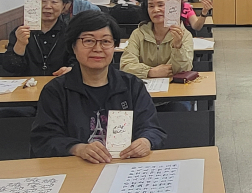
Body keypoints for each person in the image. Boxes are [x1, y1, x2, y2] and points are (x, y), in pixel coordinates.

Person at [30, 11, 166, 161]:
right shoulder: (56, 91)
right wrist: (77, 148)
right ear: (73, 46)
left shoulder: (132, 85)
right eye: (88, 41)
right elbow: (44, 140)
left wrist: (145, 141)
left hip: (124, 166)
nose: (98, 48)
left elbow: (152, 128)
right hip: (76, 172)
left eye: (106, 42)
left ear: (114, 46)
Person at [3, 0, 73, 76]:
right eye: (42, 1)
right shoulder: (20, 31)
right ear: (32, 4)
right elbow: (11, 68)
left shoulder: (71, 32)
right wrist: (20, 44)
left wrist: (71, 69)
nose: (48, 6)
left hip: (59, 86)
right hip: (26, 89)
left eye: (54, 2)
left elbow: (77, 62)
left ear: (64, 6)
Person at [120, 0, 194, 79]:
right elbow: (125, 66)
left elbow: (184, 69)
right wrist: (150, 72)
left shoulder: (184, 34)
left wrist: (178, 47)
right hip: (143, 87)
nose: (155, 10)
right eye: (151, 6)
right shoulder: (138, 33)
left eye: (161, 5)